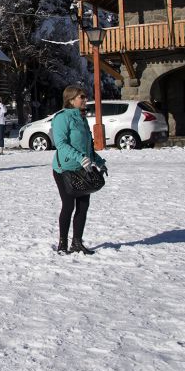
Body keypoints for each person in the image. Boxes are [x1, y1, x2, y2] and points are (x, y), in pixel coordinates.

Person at [51, 85, 107, 255]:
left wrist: (98, 161)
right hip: (65, 169)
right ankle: (62, 243)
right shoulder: (61, 118)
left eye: (84, 96)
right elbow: (61, 144)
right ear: (71, 99)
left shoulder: (81, 118)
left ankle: (77, 242)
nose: (84, 99)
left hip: (84, 168)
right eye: (81, 97)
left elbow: (87, 146)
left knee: (83, 206)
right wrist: (79, 158)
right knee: (68, 206)